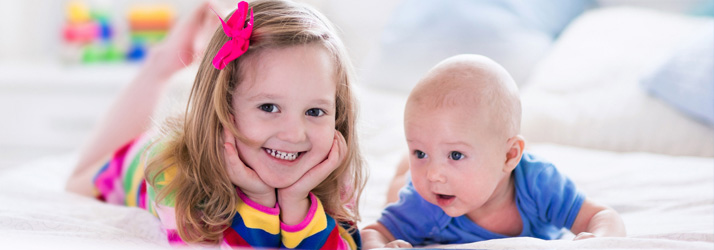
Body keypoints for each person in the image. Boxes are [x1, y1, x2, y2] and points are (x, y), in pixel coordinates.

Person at [65, 0, 366, 249]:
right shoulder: (173, 175)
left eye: (315, 111)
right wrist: (261, 199)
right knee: (76, 183)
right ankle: (163, 62)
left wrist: (296, 201)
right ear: (223, 108)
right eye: (269, 107)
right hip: (136, 166)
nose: (294, 134)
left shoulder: (326, 170)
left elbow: (348, 244)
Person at [361, 54, 626, 249]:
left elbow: (602, 216)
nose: (433, 174)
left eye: (455, 155)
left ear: (510, 155)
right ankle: (403, 169)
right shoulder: (427, 201)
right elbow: (373, 232)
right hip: (416, 194)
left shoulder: (539, 183)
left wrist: (600, 240)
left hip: (516, 166)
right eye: (419, 152)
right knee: (401, 190)